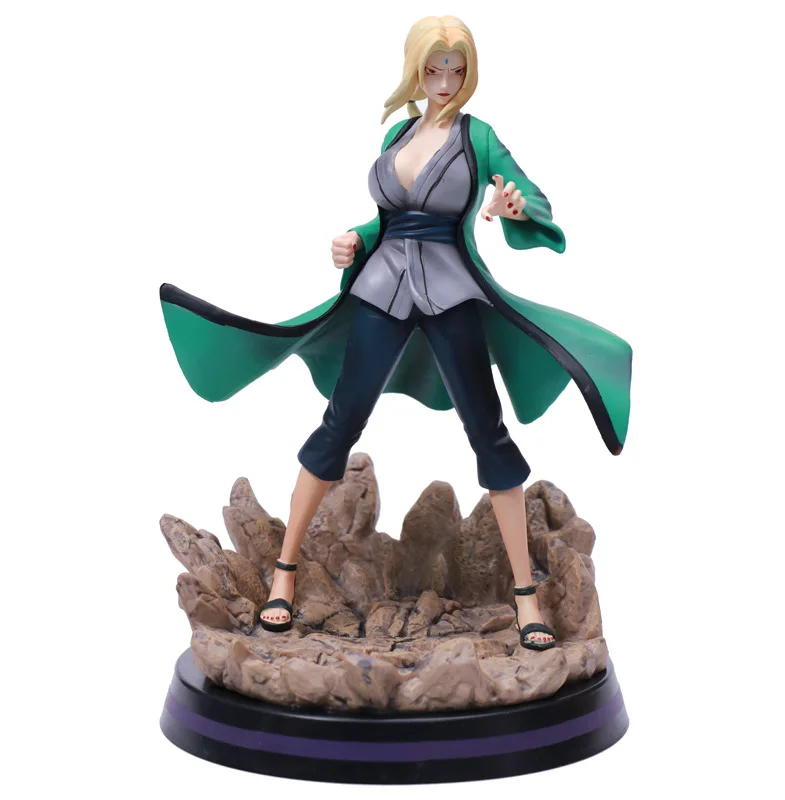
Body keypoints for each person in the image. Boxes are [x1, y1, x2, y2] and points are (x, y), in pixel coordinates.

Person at [159, 15, 632, 651]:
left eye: (456, 69)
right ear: (417, 68)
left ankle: (525, 593)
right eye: (435, 68)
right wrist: (355, 240)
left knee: (487, 431)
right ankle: (284, 574)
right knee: (339, 422)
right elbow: (389, 219)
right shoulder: (399, 132)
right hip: (382, 288)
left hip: (451, 292)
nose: (445, 80)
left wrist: (512, 206)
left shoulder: (477, 136)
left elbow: (530, 198)